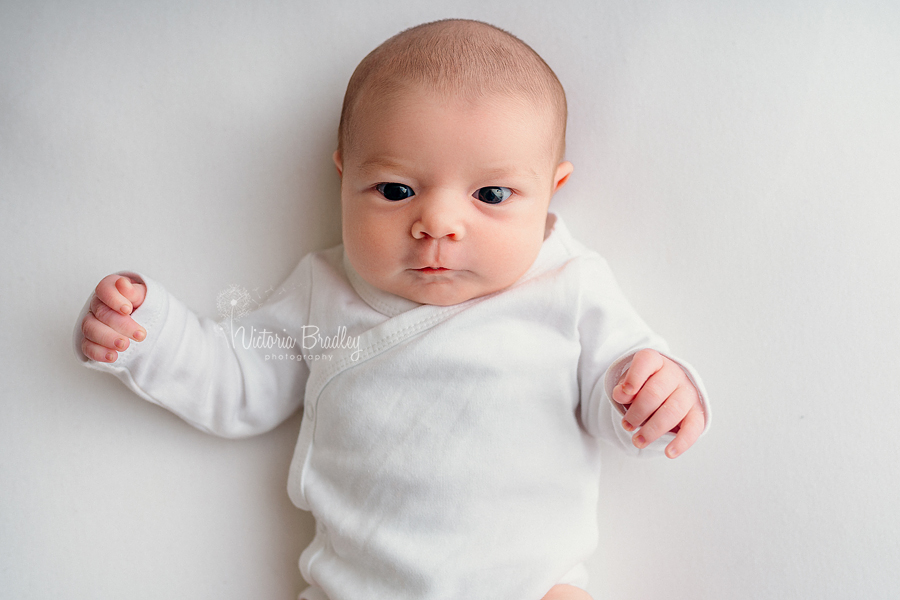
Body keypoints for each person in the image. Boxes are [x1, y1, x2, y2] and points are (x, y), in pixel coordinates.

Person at [74, 19, 710, 600]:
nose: (437, 223)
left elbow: (617, 389)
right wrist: (151, 336)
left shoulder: (570, 287)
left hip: (529, 588)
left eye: (491, 193)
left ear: (551, 191)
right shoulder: (322, 290)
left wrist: (654, 396)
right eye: (396, 190)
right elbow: (240, 384)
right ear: (344, 177)